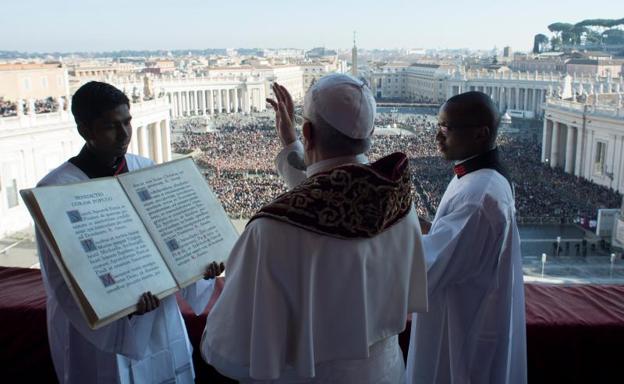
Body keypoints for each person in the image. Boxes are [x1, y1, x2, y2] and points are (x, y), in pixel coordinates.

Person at [201, 74, 428, 383]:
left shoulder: (271, 230)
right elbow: (334, 200)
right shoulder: (399, 201)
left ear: (307, 131)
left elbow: (229, 351)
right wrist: (292, 144)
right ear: (370, 131)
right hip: (386, 372)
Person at [35, 81, 224, 384]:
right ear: (86, 130)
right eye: (111, 126)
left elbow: (171, 238)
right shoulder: (56, 191)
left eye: (127, 122)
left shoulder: (145, 168)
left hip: (159, 313)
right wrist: (123, 309)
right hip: (104, 336)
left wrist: (201, 268)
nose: (124, 134)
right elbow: (62, 280)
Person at [406, 91, 527, 383]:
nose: (437, 136)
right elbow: (454, 241)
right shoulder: (477, 176)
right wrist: (418, 224)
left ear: (480, 134)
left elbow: (423, 270)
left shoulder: (478, 196)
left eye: (446, 128)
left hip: (460, 340)